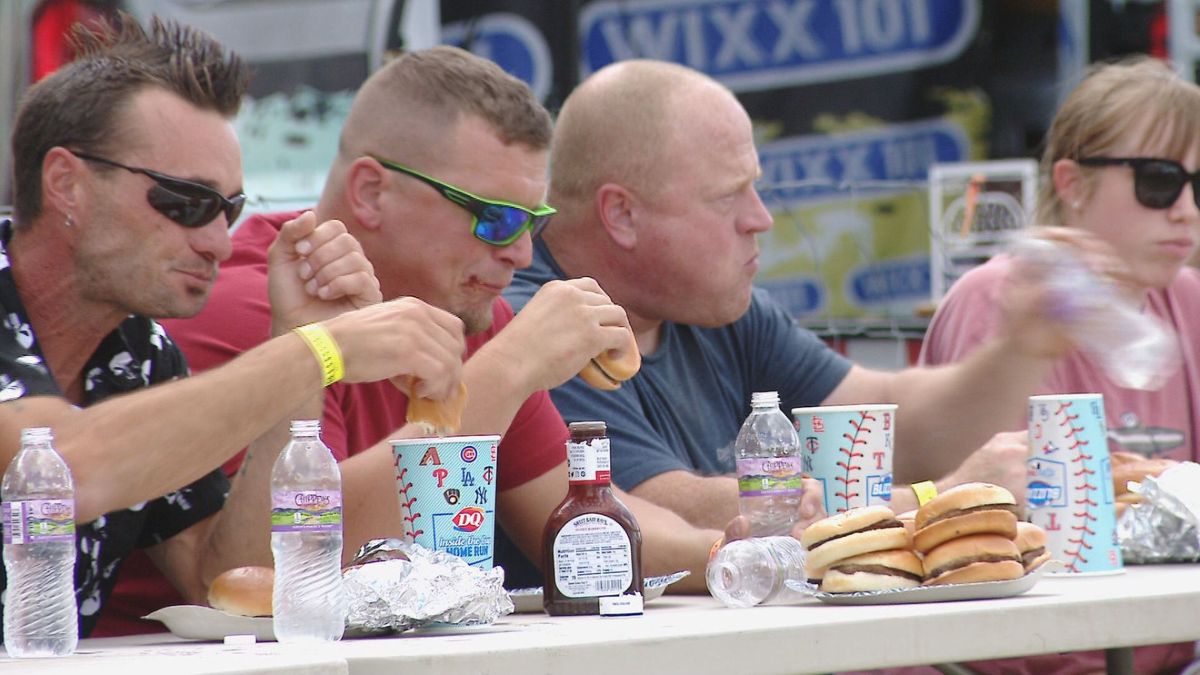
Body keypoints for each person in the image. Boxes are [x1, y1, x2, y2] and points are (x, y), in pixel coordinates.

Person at [96, 46, 810, 635]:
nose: (523, 254)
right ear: (373, 193)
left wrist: (734, 550)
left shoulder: (477, 316)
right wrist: (510, 368)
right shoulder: (255, 300)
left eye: (533, 220)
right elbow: (281, 567)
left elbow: (577, 519)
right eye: (496, 218)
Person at [0, 15, 465, 639]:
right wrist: (316, 352)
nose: (219, 241)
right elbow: (61, 470)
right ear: (66, 185)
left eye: (230, 208)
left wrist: (295, 337)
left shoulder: (139, 350)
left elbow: (225, 580)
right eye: (187, 202)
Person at [503, 58, 1061, 534]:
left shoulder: (713, 305)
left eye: (756, 187)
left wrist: (1020, 347)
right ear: (622, 213)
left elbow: (890, 428)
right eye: (728, 196)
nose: (761, 218)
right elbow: (667, 509)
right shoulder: (541, 321)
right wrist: (940, 501)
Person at [919, 56, 1200, 675]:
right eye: (1159, 181)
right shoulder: (998, 301)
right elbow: (977, 531)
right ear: (1071, 184)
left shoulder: (1188, 298)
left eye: (1197, 186)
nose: (1184, 208)